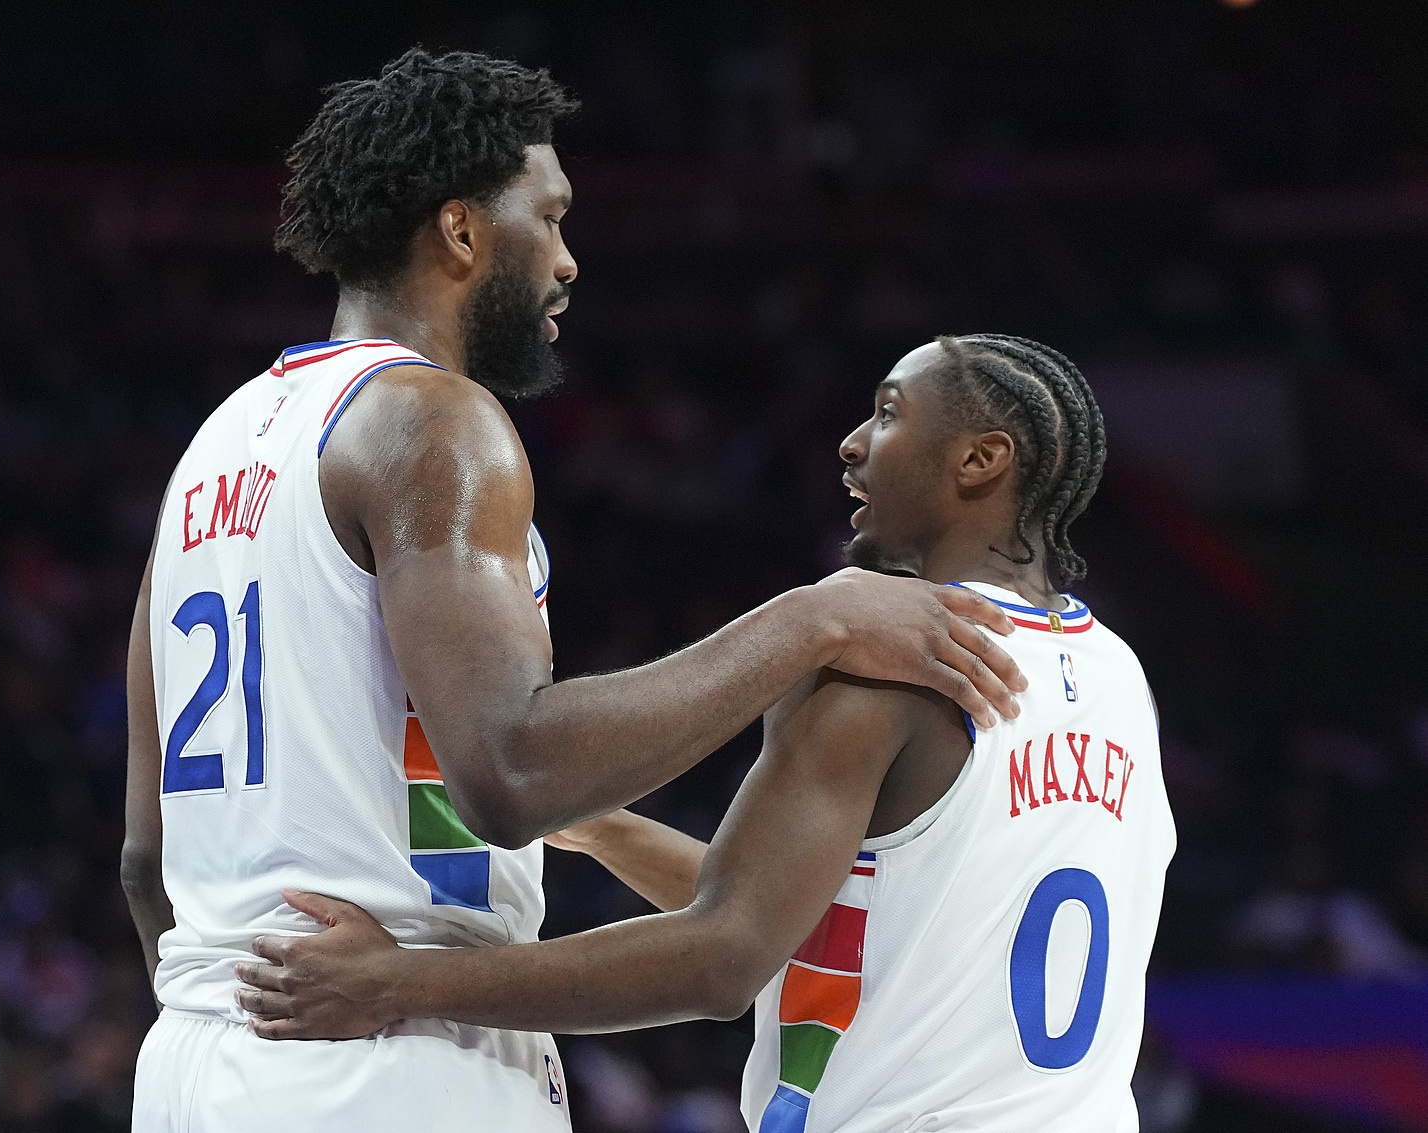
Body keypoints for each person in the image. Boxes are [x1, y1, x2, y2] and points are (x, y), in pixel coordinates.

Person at [120, 50, 1027, 1132]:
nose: (565, 259)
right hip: (383, 1051)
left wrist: (220, 1024)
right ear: (461, 232)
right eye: (547, 217)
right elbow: (512, 772)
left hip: (195, 1050)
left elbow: (144, 859)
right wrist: (814, 616)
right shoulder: (432, 421)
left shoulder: (211, 455)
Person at [235, 334, 1176, 1133]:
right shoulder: (1117, 676)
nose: (852, 443)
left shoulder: (880, 667)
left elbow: (727, 953)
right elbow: (825, 919)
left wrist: (396, 981)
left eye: (888, 414)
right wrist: (607, 830)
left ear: (981, 460)